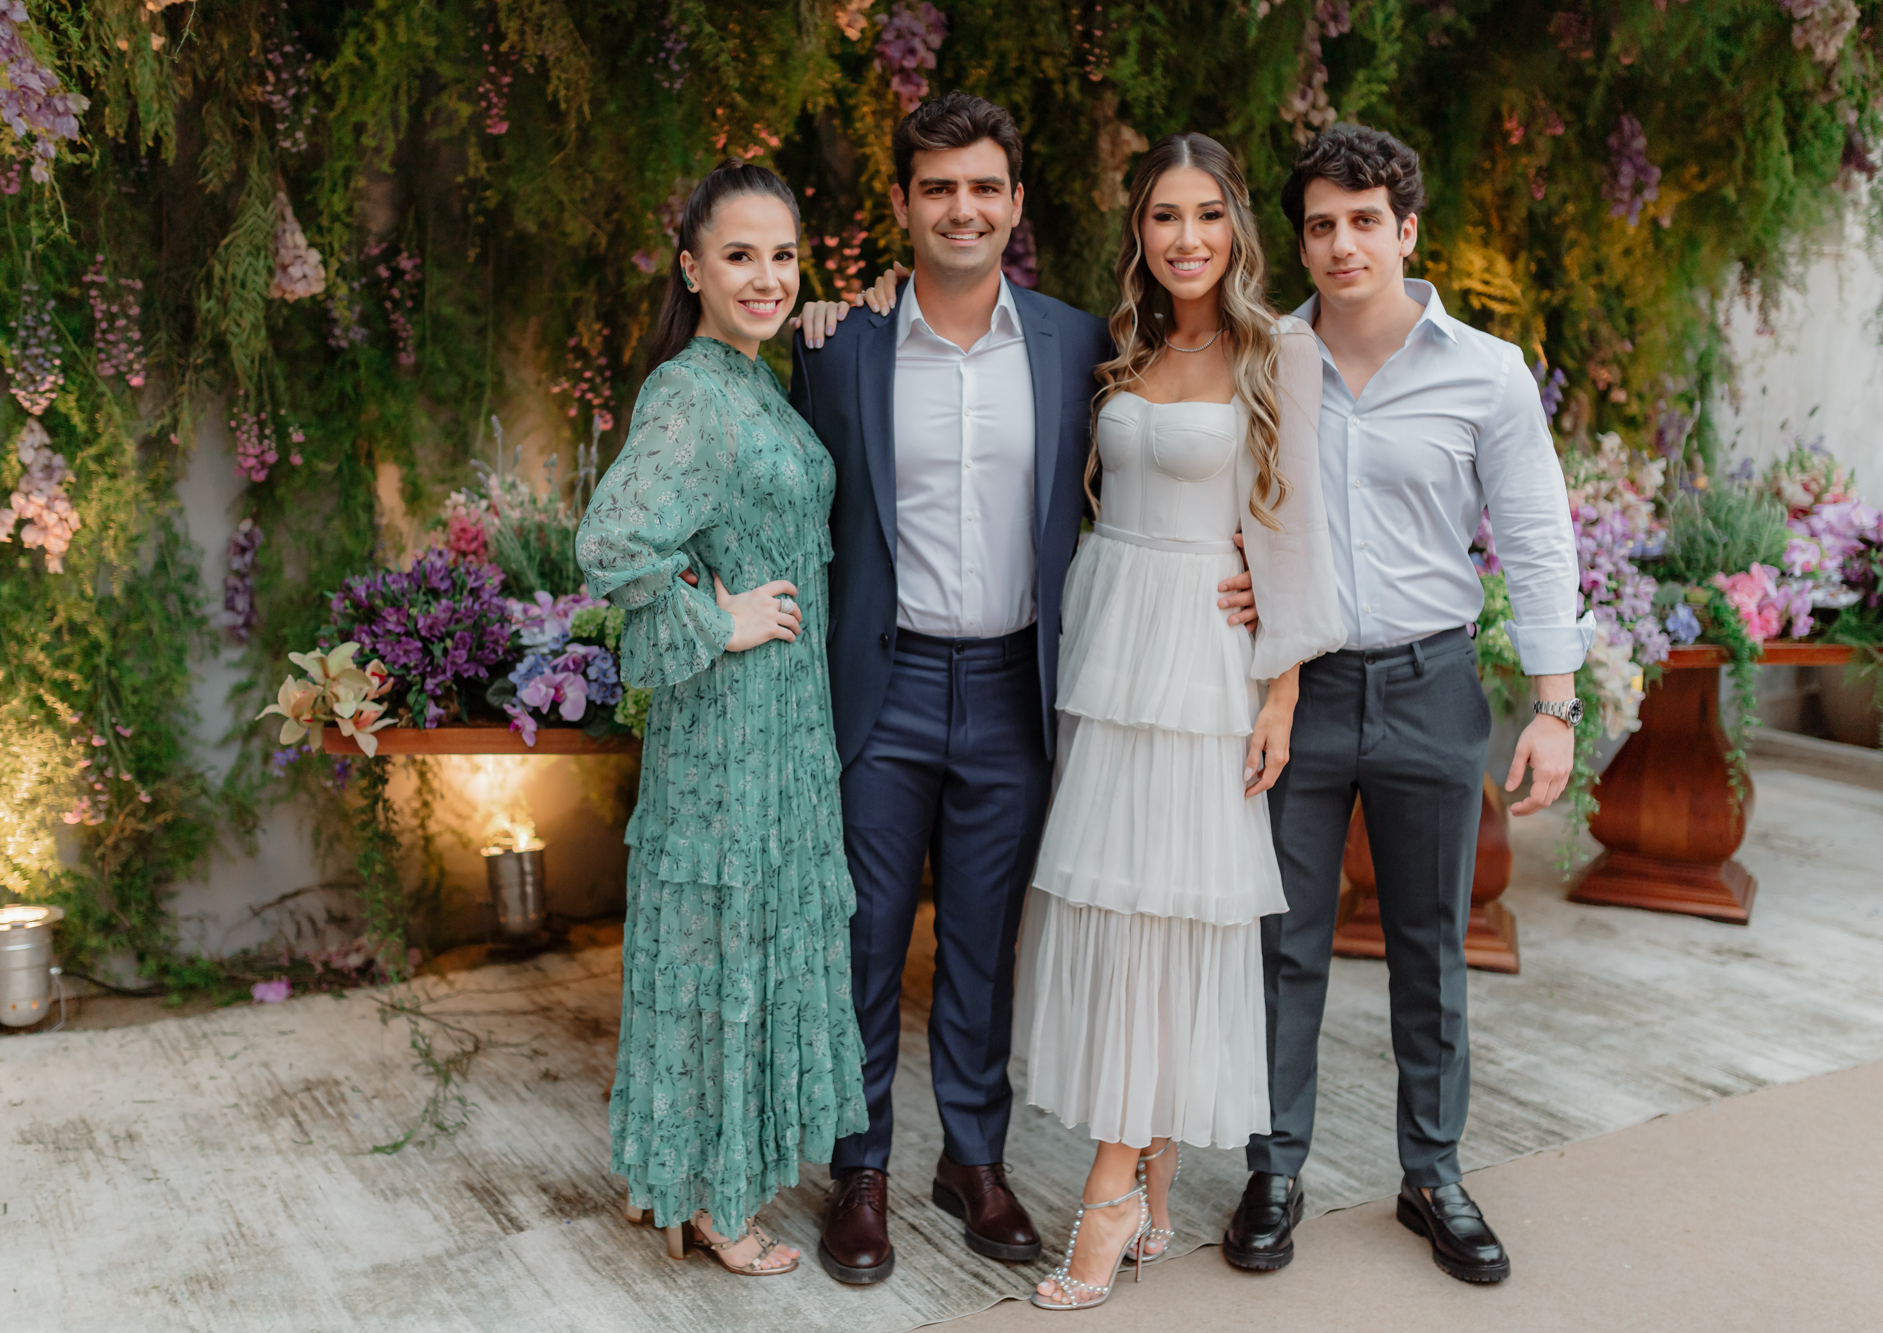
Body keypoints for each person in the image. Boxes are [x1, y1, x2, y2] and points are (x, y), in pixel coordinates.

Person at [786, 93, 1258, 1287]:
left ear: (1014, 204)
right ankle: (858, 1171)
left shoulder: (1075, 343)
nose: (963, 208)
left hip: (1016, 684)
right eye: (938, 188)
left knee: (985, 944)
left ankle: (972, 1160)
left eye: (983, 187)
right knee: (865, 938)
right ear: (903, 204)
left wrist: (1261, 576)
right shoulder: (836, 347)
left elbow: (1186, 458)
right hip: (884, 683)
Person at [1222, 124, 1590, 1286]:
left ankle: (1430, 1172)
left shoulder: (1485, 371)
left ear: (1406, 230)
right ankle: (1272, 1166)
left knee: (1431, 943)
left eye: (1363, 221)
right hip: (1297, 690)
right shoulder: (1260, 359)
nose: (1342, 244)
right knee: (1283, 943)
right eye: (1320, 225)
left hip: (1431, 685)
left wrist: (1553, 705)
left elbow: (1534, 535)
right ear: (1300, 242)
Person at [1014, 132, 1344, 1312]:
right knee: (1112, 903)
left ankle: (1108, 1190)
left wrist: (1280, 687)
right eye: (1163, 214)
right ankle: (1150, 1181)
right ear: (1139, 230)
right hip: (1109, 645)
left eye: (1205, 213)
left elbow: (1294, 522)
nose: (1185, 236)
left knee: (1167, 914)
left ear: (1235, 226)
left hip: (1205, 658)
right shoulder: (1120, 345)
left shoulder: (1277, 349)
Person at [575, 159, 866, 1278]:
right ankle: (710, 1199)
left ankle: (698, 1177)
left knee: (741, 939)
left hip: (781, 727)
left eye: (782, 256)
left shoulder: (751, 381)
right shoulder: (691, 392)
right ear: (691, 267)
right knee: (721, 943)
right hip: (730, 728)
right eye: (739, 255)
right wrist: (716, 616)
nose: (766, 277)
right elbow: (611, 540)